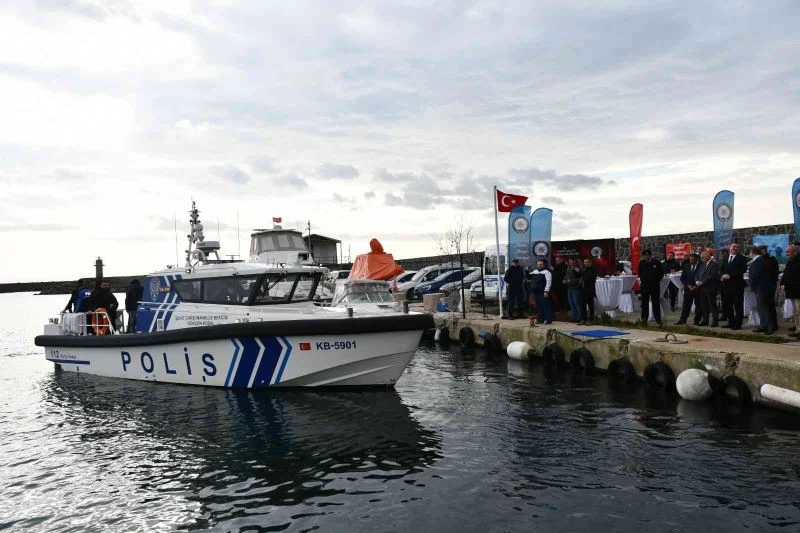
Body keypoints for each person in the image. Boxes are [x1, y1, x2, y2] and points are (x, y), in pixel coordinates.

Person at [749, 245, 779, 334]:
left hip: (761, 288)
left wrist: (752, 286)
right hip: (762, 287)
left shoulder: (758, 261)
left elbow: (756, 275)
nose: (749, 254)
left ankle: (769, 327)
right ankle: (764, 325)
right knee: (761, 307)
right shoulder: (760, 260)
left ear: (753, 253)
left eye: (750, 252)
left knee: (764, 307)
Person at [719, 243, 748, 330]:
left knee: (738, 305)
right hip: (726, 285)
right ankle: (731, 322)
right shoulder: (725, 257)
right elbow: (721, 269)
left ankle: (738, 324)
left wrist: (730, 275)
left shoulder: (742, 258)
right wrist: (722, 275)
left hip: (737, 285)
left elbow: (742, 270)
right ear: (729, 248)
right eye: (734, 247)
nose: (735, 248)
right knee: (728, 305)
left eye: (737, 247)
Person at [638, 249, 664, 325]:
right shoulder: (641, 263)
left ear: (650, 255)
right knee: (644, 303)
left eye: (647, 255)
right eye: (644, 256)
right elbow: (639, 273)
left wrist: (655, 280)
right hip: (645, 286)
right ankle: (644, 319)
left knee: (656, 302)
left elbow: (661, 273)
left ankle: (658, 319)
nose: (646, 257)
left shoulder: (657, 263)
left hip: (654, 286)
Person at [694, 251, 719, 326]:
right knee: (704, 305)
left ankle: (715, 321)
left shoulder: (714, 264)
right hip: (701, 288)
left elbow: (713, 276)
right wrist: (697, 281)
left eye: (702, 257)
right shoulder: (702, 265)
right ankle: (705, 320)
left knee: (712, 305)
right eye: (701, 258)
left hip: (710, 288)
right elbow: (697, 274)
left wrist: (703, 282)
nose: (701, 259)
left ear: (708, 257)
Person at [675, 253, 700, 325]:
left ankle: (697, 320)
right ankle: (683, 319)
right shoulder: (686, 266)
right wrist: (687, 285)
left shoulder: (701, 266)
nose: (691, 261)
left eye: (693, 260)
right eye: (690, 260)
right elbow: (682, 278)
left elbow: (701, 277)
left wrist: (695, 286)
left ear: (696, 259)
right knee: (686, 305)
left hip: (697, 288)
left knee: (698, 304)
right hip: (688, 288)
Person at [781, 244, 800, 337]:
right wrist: (782, 283)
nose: (786, 253)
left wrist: (787, 284)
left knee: (799, 311)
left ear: (795, 252)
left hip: (797, 290)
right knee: (796, 311)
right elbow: (786, 274)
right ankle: (798, 328)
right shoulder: (790, 261)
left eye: (788, 251)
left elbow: (796, 277)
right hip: (792, 290)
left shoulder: (798, 261)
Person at [531, 259, 554, 324]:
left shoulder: (547, 272)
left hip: (543, 292)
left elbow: (548, 282)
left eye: (541, 264)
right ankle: (540, 319)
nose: (539, 266)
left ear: (544, 265)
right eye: (538, 264)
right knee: (539, 306)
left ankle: (548, 319)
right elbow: (529, 277)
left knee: (545, 306)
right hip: (536, 291)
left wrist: (546, 291)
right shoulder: (535, 271)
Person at [564, 258, 585, 324]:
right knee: (572, 304)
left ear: (575, 261)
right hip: (569, 288)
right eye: (569, 261)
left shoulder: (580, 268)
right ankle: (574, 318)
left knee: (578, 304)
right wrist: (565, 279)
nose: (570, 262)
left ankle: (580, 318)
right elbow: (566, 275)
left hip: (576, 288)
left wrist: (571, 281)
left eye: (571, 261)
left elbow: (580, 278)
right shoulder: (568, 267)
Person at [581, 257, 598, 323]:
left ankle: (591, 319)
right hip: (584, 290)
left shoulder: (593, 269)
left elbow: (587, 277)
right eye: (584, 262)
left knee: (590, 305)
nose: (584, 263)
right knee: (583, 305)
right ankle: (584, 319)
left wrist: (580, 272)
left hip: (590, 290)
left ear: (590, 262)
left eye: (586, 262)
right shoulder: (585, 269)